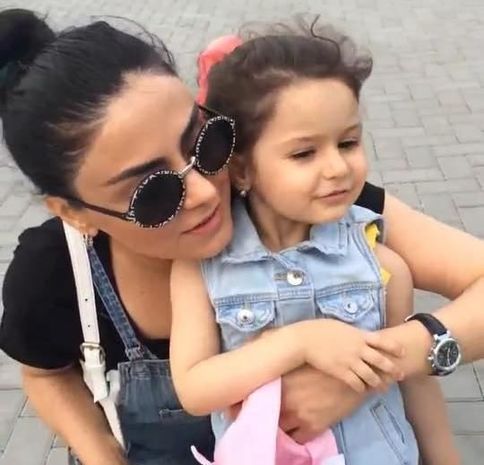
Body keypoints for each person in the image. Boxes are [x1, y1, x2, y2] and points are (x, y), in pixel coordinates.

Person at [0, 7, 483, 465]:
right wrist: (103, 455)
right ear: (74, 213)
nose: (204, 190)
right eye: (153, 191)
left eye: (205, 143)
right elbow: (45, 373)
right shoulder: (54, 272)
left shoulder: (314, 207)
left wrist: (377, 368)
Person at [169, 24, 458, 465]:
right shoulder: (202, 268)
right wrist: (300, 342)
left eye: (348, 142)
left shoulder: (380, 263)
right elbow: (195, 390)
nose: (337, 167)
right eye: (304, 153)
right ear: (242, 169)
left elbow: (414, 380)